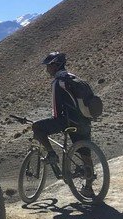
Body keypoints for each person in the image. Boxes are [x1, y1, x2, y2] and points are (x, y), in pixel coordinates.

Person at [31, 51, 95, 196]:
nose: (47, 69)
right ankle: (89, 188)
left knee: (37, 127)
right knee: (85, 154)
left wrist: (55, 121)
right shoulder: (75, 78)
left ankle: (52, 154)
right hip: (85, 121)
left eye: (48, 66)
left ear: (55, 65)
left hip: (68, 121)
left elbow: (55, 109)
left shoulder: (58, 82)